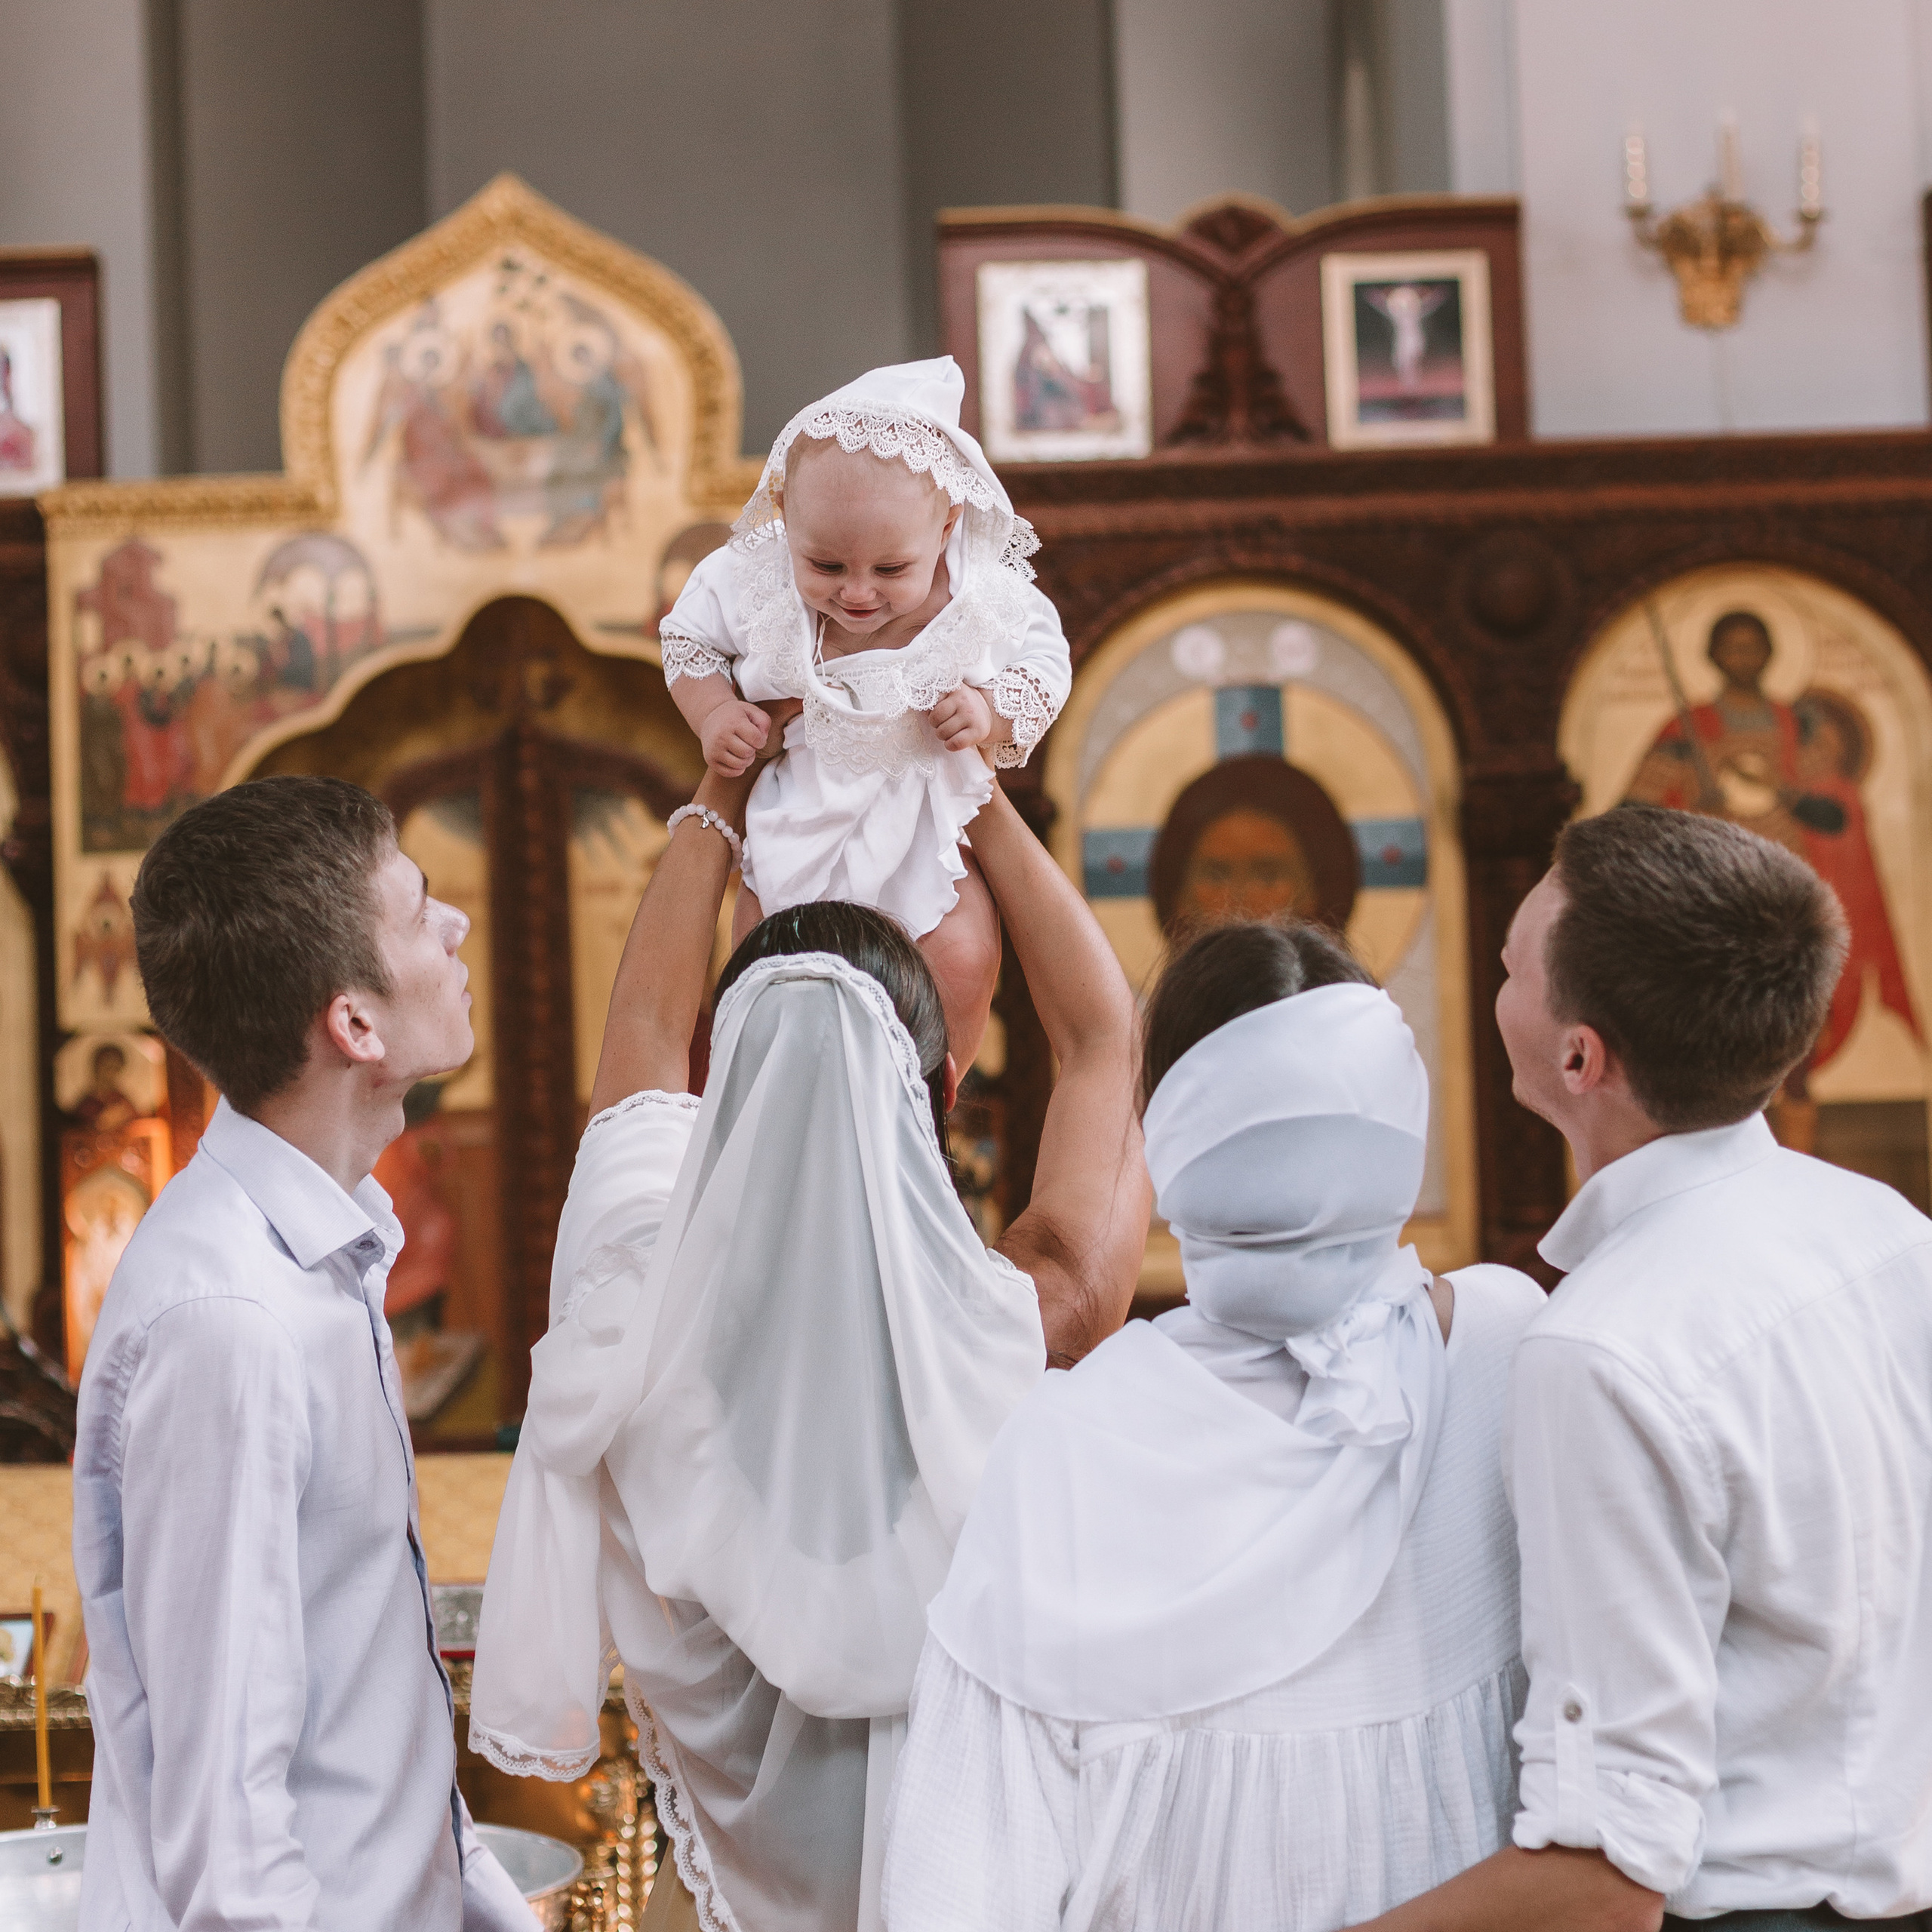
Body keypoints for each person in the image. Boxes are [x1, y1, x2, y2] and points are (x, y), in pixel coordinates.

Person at [469, 748, 1149, 1932]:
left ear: (718, 1085)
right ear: (940, 1095)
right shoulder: (1023, 1326)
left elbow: (642, 1020)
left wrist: (721, 793)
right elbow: (1101, 1039)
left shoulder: (623, 1317)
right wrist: (972, 790)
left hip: (714, 1906)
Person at [882, 920, 1546, 1929]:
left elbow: (963, 1884)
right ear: (1396, 1111)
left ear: (1163, 1136)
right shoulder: (1509, 1345)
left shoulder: (1071, 1444)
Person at [1350, 802, 1932, 1932]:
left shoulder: (1604, 1348)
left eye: (1513, 965)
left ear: (1580, 1055)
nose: (1498, 980)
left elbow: (1605, 1877)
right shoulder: (1892, 1232)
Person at [72, 775, 528, 1932]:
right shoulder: (231, 1319)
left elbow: (362, 1683)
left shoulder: (328, 1253)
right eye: (420, 910)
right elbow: (227, 1833)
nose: (455, 928)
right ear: (355, 1024)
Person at [657, 355, 1072, 1060]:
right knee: (760, 968)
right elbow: (688, 641)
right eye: (825, 566)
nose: (856, 593)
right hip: (799, 812)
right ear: (785, 516)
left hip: (926, 816)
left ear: (946, 528)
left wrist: (991, 710)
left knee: (964, 959)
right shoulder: (754, 579)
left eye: (890, 571)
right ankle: (777, 1090)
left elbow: (1045, 666)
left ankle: (936, 1097)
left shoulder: (980, 596)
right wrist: (715, 714)